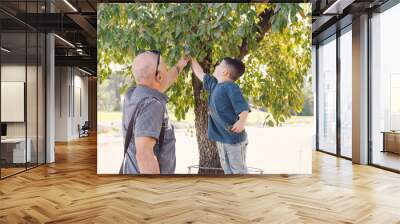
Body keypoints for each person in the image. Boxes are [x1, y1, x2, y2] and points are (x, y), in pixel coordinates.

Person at [120, 51, 189, 174]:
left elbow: (162, 82)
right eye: (164, 66)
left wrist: (179, 66)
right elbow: (144, 156)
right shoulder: (152, 105)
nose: (167, 68)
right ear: (159, 76)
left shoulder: (132, 95)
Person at [190, 57, 250, 174]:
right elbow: (200, 73)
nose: (216, 66)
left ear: (224, 72)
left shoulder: (231, 87)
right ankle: (232, 191)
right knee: (227, 170)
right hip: (222, 139)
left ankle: (244, 191)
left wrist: (242, 121)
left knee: (239, 171)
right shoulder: (214, 84)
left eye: (219, 65)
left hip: (234, 140)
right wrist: (191, 58)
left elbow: (243, 108)